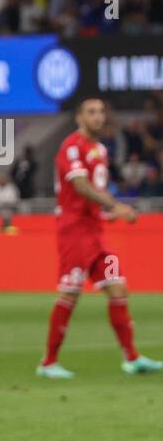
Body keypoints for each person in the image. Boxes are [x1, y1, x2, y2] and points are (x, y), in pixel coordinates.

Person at [37, 97, 160, 378]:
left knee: (118, 288)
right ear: (79, 117)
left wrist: (105, 212)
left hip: (96, 231)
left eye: (102, 112)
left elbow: (93, 189)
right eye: (91, 112)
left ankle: (132, 358)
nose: (98, 117)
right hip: (74, 231)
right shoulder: (71, 147)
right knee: (70, 292)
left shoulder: (100, 149)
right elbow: (80, 186)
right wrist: (113, 205)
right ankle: (48, 363)